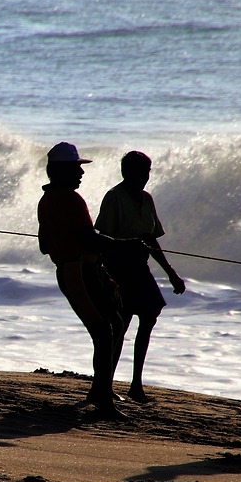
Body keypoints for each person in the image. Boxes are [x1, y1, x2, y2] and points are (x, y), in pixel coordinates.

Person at [36, 142, 144, 419]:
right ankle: (101, 397)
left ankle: (101, 390)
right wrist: (127, 245)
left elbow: (44, 246)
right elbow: (88, 238)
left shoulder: (46, 200)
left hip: (82, 271)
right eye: (76, 169)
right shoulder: (70, 200)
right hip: (78, 273)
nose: (81, 174)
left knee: (115, 324)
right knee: (104, 332)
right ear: (59, 171)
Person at [94, 150, 186, 403]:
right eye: (140, 172)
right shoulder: (114, 197)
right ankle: (105, 385)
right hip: (117, 268)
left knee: (149, 316)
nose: (145, 177)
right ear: (127, 173)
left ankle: (136, 385)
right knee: (119, 326)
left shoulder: (146, 199)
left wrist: (172, 274)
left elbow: (151, 240)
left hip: (140, 267)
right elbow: (102, 240)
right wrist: (105, 274)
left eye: (147, 172)